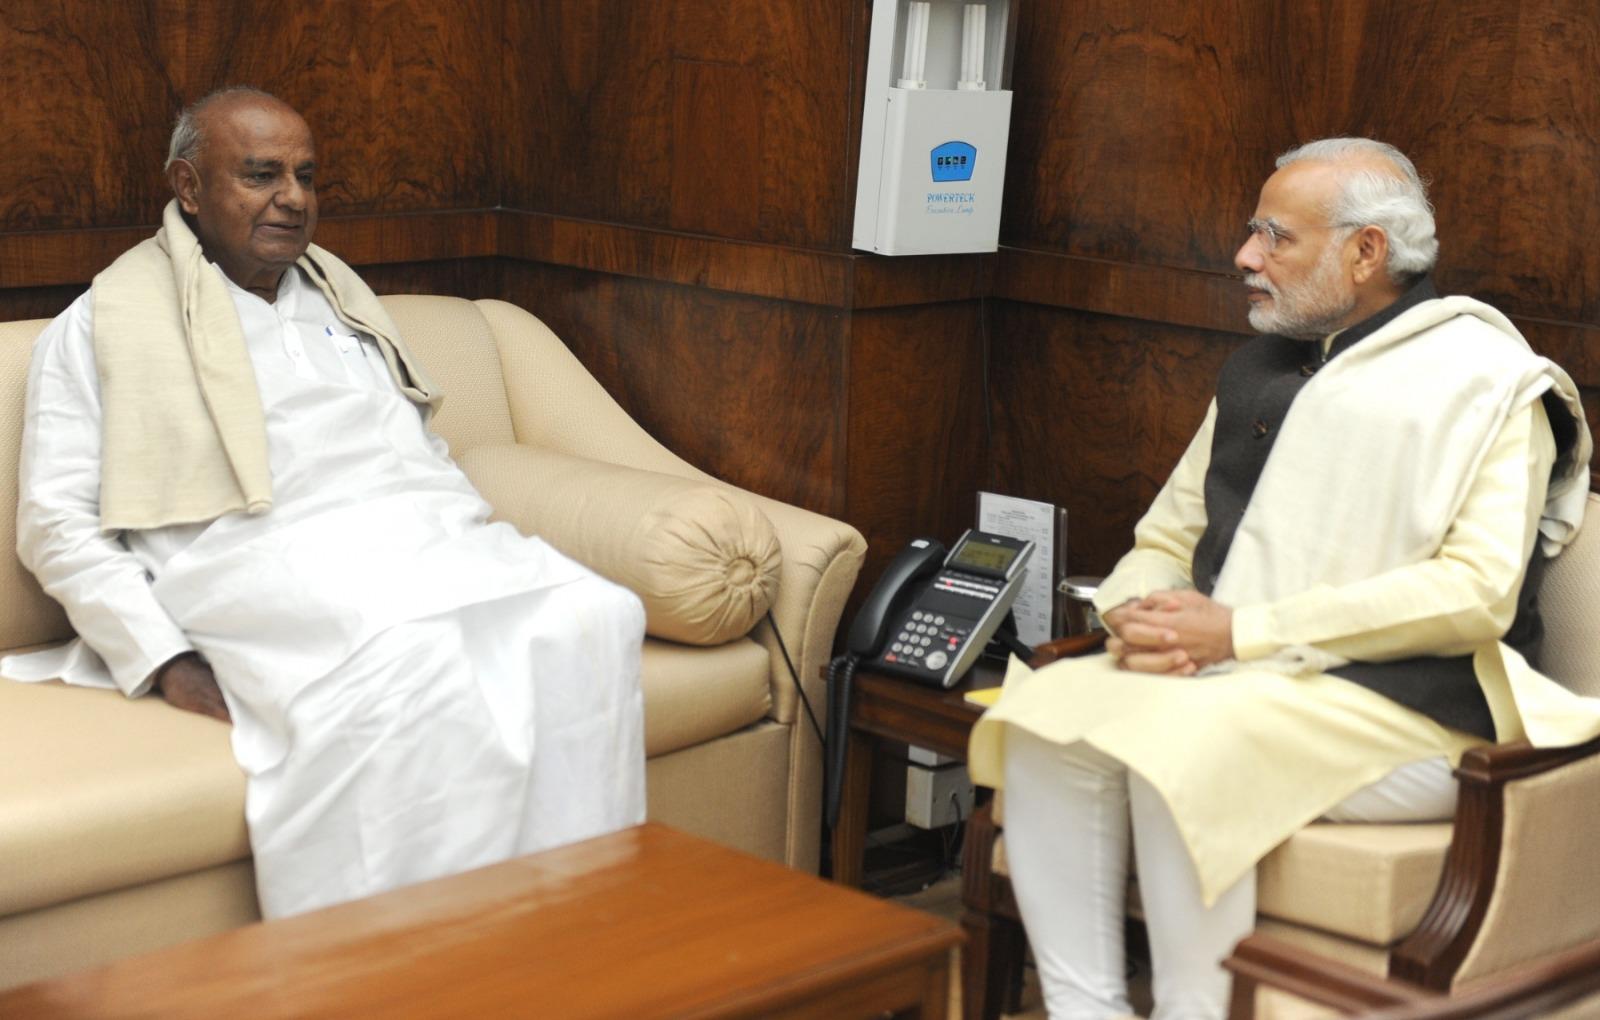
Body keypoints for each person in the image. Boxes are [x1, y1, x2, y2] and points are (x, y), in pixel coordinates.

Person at [967, 137, 1597, 1019]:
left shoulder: (1489, 383)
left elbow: (1477, 592)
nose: (1245, 257)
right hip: (1241, 682)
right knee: (1042, 722)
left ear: (1365, 252)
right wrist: (1138, 617)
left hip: (1415, 712)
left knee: (1173, 750)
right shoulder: (1260, 368)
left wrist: (1237, 632)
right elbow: (1167, 534)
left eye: (1274, 237)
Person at [4, 87, 647, 920]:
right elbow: (54, 522)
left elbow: (419, 451)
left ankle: (567, 924)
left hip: (418, 543)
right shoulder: (97, 326)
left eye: (307, 177)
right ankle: (388, 960)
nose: (294, 199)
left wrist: (462, 535)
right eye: (262, 175)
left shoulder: (343, 305)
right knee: (412, 664)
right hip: (248, 564)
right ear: (188, 186)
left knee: (589, 616)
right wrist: (163, 659)